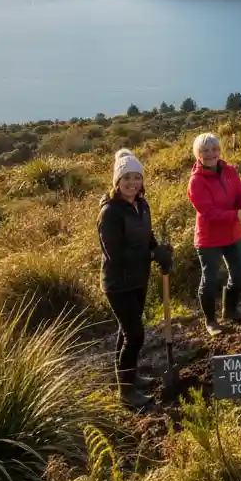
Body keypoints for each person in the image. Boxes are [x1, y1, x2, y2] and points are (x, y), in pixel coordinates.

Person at [97, 149, 173, 410]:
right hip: (118, 284)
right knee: (135, 335)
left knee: (127, 332)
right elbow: (115, 255)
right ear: (117, 181)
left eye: (137, 177)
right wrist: (151, 254)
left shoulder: (142, 205)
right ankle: (126, 392)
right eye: (126, 177)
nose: (132, 183)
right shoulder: (110, 213)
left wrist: (159, 250)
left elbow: (146, 237)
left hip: (139, 279)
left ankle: (129, 378)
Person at [187, 132, 241, 336]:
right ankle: (210, 321)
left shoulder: (229, 171)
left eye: (214, 149)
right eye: (205, 150)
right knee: (210, 280)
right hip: (209, 239)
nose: (211, 153)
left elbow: (239, 196)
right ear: (198, 154)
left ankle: (229, 308)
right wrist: (238, 215)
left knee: (240, 274)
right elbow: (209, 213)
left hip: (232, 234)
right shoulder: (196, 182)